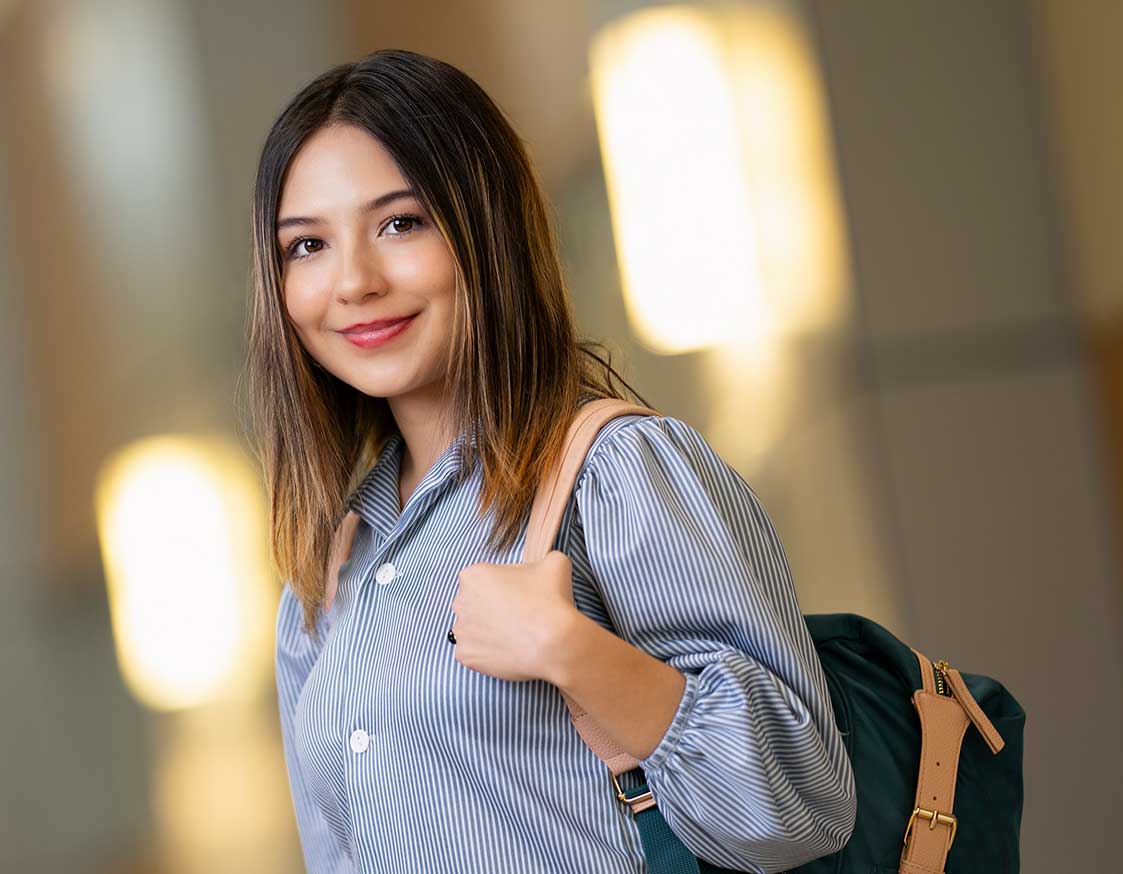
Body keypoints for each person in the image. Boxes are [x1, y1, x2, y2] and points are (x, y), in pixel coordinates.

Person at [244, 50, 856, 873]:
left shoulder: (620, 473)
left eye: (401, 223)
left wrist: (572, 651)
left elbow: (800, 805)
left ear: (484, 231)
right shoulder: (324, 580)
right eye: (307, 246)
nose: (352, 281)